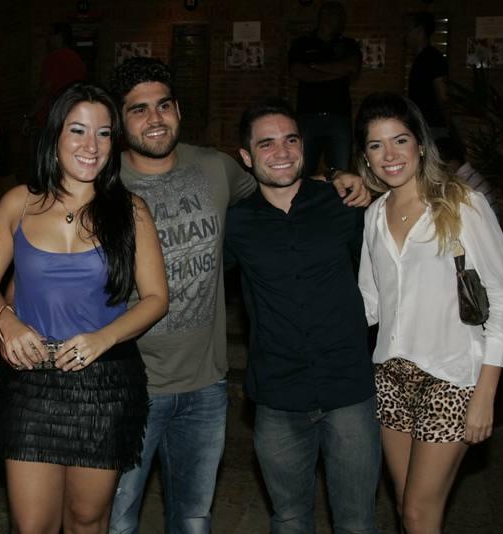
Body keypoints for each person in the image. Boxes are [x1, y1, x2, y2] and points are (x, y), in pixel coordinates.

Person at [106, 56, 370, 534]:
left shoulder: (216, 168)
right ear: (121, 121)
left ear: (178, 110)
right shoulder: (103, 184)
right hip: (128, 382)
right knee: (115, 520)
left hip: (205, 384)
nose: (154, 118)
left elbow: (279, 180)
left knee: (194, 519)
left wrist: (337, 178)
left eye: (162, 105)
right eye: (138, 109)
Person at [0, 81, 168, 533]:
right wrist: (5, 320)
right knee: (33, 525)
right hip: (31, 384)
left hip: (105, 385)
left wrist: (102, 339)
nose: (92, 145)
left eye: (104, 133)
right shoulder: (17, 203)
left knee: (87, 519)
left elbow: (156, 299)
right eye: (78, 130)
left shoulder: (131, 211)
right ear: (55, 135)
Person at [355, 92, 503, 534]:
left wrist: (485, 393)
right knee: (409, 508)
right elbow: (369, 302)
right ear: (365, 157)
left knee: (417, 512)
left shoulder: (462, 203)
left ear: (421, 145)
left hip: (452, 377)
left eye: (400, 140)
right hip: (390, 376)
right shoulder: (373, 215)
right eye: (376, 145)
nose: (389, 155)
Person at [224, 99, 380, 533]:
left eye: (291, 140)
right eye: (267, 143)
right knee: (290, 520)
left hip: (349, 389)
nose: (282, 151)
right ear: (246, 156)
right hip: (278, 394)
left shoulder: (344, 204)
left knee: (357, 523)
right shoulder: (236, 223)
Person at [289, 1, 362, 177]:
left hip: (339, 116)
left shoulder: (348, 44)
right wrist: (337, 72)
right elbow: (297, 71)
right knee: (302, 171)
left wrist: (314, 66)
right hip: (308, 116)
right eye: (339, 16)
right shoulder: (302, 43)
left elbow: (352, 67)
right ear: (325, 17)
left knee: (340, 173)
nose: (342, 20)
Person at [23, 22, 87, 131]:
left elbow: (45, 90)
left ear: (59, 37)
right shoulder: (78, 59)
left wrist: (29, 116)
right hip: (72, 116)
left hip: (53, 119)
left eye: (50, 34)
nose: (48, 39)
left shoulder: (53, 58)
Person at [407, 12, 450, 140]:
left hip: (432, 129)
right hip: (421, 127)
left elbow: (443, 96)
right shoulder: (420, 59)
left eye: (409, 29)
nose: (406, 34)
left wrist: (449, 127)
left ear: (420, 30)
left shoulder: (433, 58)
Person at [435, 136, 501, 220]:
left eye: (439, 165)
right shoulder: (472, 177)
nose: (438, 170)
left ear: (451, 163)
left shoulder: (466, 186)